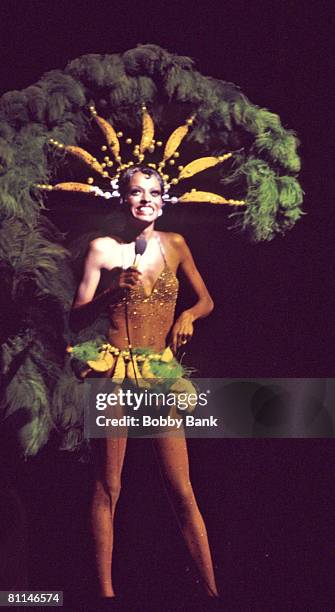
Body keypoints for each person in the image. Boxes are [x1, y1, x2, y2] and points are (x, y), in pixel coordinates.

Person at [70, 166, 219, 604]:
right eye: (136, 192)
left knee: (182, 489)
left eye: (153, 192)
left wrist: (188, 316)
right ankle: (105, 597)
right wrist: (110, 293)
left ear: (163, 198)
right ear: (123, 198)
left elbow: (206, 299)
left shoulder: (174, 244)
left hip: (157, 371)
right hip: (112, 371)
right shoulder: (102, 249)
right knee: (108, 486)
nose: (146, 199)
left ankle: (214, 594)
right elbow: (75, 317)